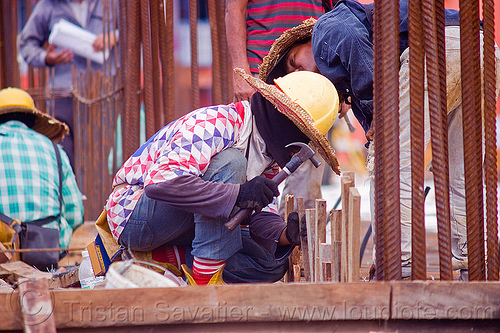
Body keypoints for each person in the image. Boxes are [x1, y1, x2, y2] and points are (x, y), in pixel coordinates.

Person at [260, 0, 500, 279]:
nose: (305, 72)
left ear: (299, 42)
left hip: (436, 49)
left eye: (294, 63)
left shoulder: (324, 29)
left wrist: (377, 110)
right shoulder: (346, 77)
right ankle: (476, 264)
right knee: (462, 170)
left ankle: (400, 266)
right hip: (482, 49)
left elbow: (351, 39)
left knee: (390, 165)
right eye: (300, 78)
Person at [105, 70, 340, 285]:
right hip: (134, 217)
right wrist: (238, 194)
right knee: (231, 162)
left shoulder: (267, 158)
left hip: (179, 226)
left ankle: (157, 258)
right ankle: (205, 283)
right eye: (304, 137)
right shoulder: (218, 124)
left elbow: (258, 216)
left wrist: (285, 235)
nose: (298, 152)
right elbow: (160, 185)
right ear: (285, 122)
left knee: (269, 264)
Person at [225, 0, 330, 220]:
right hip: (260, 74)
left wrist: (335, 79)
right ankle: (256, 241)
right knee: (249, 167)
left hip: (311, 85)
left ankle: (293, 244)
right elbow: (235, 9)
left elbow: (334, 15)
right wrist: (240, 72)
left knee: (304, 179)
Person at [18, 0, 119, 169]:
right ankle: (71, 193)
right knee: (65, 157)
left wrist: (114, 36)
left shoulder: (112, 3)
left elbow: (134, 31)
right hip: (63, 93)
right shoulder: (48, 6)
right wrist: (46, 58)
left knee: (100, 156)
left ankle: (97, 195)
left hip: (104, 92)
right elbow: (26, 44)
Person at [0, 87, 84, 256]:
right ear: (32, 119)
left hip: (3, 255)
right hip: (46, 252)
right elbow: (75, 216)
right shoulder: (54, 150)